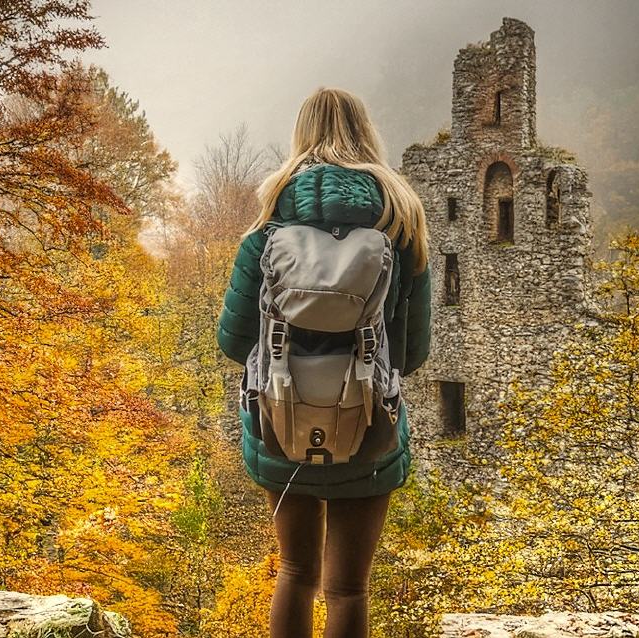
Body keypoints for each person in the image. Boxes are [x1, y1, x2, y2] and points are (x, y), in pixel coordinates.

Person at [215, 86, 432, 638]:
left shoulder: (266, 231)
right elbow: (410, 354)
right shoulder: (401, 229)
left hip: (281, 423)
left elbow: (234, 341)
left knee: (295, 572)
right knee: (348, 589)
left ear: (301, 136)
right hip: (367, 425)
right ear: (367, 135)